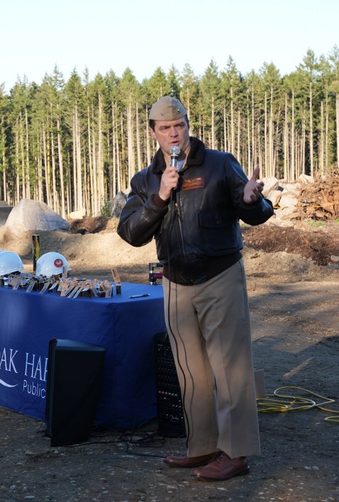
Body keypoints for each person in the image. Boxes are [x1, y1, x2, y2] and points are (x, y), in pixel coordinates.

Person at [117, 96, 273, 481]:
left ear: (188, 125)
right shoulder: (146, 180)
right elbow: (131, 232)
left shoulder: (219, 163)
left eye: (180, 125)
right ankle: (202, 447)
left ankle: (235, 454)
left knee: (229, 368)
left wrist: (254, 201)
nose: (175, 133)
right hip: (174, 281)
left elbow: (255, 206)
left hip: (220, 276)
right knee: (191, 371)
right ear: (153, 132)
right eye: (166, 128)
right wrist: (160, 197)